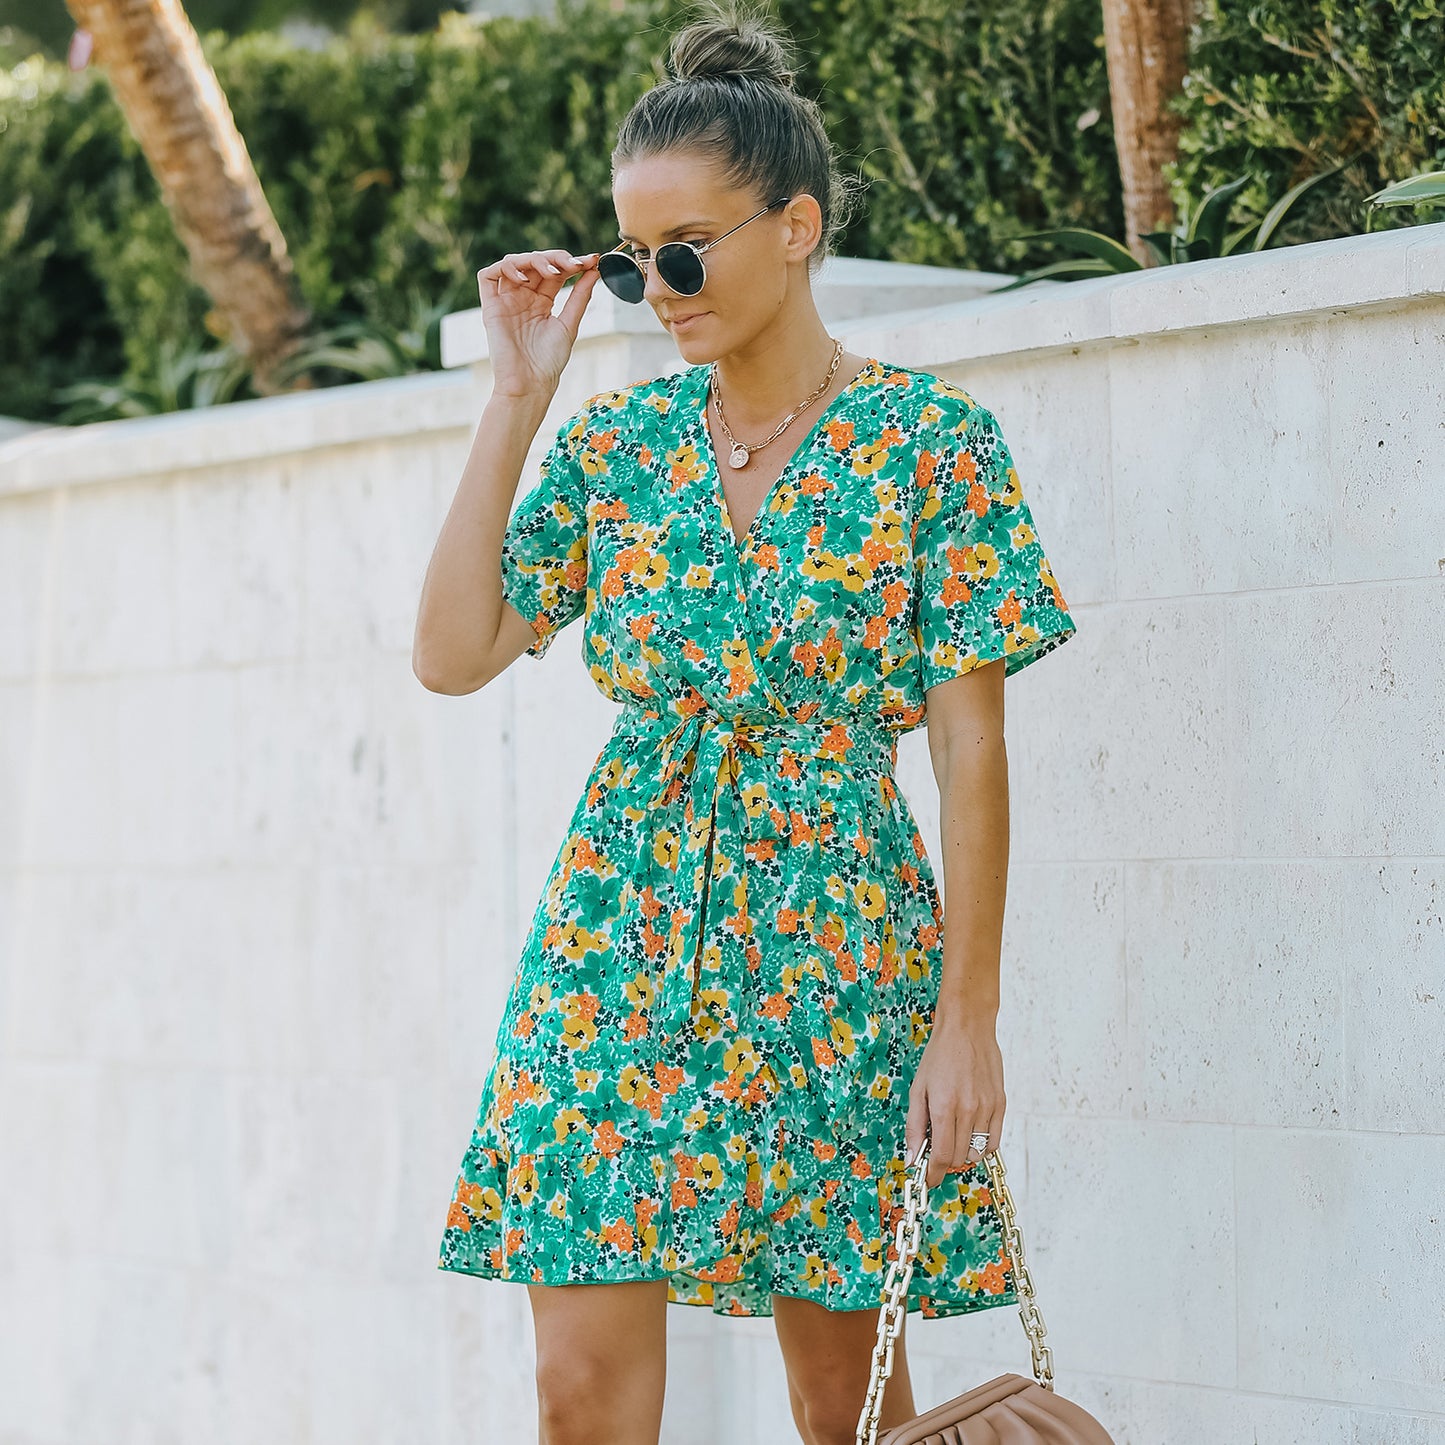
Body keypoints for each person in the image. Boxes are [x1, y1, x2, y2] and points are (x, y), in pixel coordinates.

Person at [413, 3, 1079, 1442]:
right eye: (630, 257)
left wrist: (968, 1014)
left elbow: (972, 745)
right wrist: (513, 398)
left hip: (833, 936)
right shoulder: (617, 447)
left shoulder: (929, 444)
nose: (658, 287)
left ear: (796, 225)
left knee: (843, 1395)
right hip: (617, 934)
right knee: (576, 1382)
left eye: (685, 249)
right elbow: (453, 653)